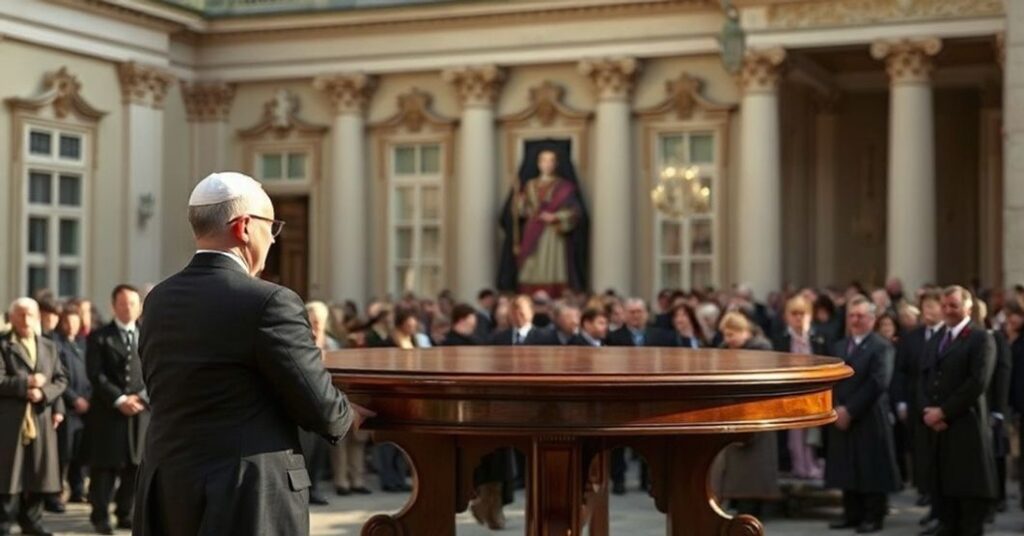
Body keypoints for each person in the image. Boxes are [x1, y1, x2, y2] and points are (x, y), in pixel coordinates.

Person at [133, 172, 362, 535]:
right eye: (271, 227)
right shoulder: (270, 301)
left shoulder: (158, 299)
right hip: (246, 496)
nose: (272, 239)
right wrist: (352, 414)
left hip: (170, 487)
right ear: (243, 227)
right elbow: (320, 406)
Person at [922, 286, 997, 536]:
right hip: (939, 429)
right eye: (944, 305)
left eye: (953, 305)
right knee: (946, 498)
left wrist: (943, 412)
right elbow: (926, 376)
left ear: (968, 307)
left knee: (968, 500)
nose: (947, 310)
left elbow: (977, 382)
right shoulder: (937, 338)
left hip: (966, 425)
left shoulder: (980, 338)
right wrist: (929, 411)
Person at [825, 295, 901, 534]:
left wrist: (851, 409)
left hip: (868, 415)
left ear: (872, 318)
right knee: (847, 466)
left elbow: (878, 382)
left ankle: (873, 516)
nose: (855, 320)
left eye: (860, 316)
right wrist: (837, 408)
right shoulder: (839, 346)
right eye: (852, 315)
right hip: (841, 414)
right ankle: (851, 513)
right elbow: (831, 380)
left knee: (871, 468)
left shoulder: (881, 346)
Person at [86, 284, 149, 534]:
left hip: (140, 411)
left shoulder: (147, 335)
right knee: (105, 467)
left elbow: (155, 370)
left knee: (135, 466)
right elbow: (96, 375)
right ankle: (100, 515)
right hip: (108, 412)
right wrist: (120, 399)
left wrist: (142, 397)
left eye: (133, 303)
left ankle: (126, 512)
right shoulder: (100, 337)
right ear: (114, 306)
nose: (128, 308)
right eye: (123, 304)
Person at [0, 298, 67, 536]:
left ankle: (33, 520)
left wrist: (44, 393)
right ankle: (5, 522)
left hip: (40, 417)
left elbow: (60, 379)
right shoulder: (4, 345)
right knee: (9, 473)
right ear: (11, 317)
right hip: (10, 420)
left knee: (39, 471)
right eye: (20, 315)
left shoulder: (49, 346)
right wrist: (24, 384)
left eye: (30, 315)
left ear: (37, 317)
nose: (26, 320)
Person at [712, 312, 779, 516]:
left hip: (756, 415)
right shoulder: (725, 351)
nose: (727, 340)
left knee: (753, 472)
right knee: (734, 472)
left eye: (731, 334)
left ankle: (753, 511)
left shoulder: (761, 350)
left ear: (744, 332)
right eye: (725, 334)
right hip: (731, 415)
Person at [891, 290, 944, 523]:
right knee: (921, 453)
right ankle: (928, 496)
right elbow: (900, 372)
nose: (928, 311)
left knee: (942, 457)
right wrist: (901, 401)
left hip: (944, 409)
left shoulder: (948, 336)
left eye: (933, 307)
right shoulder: (912, 337)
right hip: (916, 404)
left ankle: (941, 504)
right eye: (926, 307)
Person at [772, 296, 829, 480]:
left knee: (812, 433)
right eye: (794, 313)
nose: (798, 318)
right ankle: (796, 465)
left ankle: (811, 463)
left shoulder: (818, 338)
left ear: (810, 316)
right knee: (793, 433)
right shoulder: (780, 339)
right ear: (787, 317)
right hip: (788, 395)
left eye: (802, 313)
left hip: (814, 394)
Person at [54, 305, 91, 507]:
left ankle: (78, 489)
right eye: (67, 322)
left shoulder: (82, 344)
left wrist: (88, 398)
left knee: (80, 451)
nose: (71, 326)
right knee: (64, 452)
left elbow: (91, 373)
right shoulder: (58, 345)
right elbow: (59, 377)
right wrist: (74, 399)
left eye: (75, 322)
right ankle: (59, 490)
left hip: (86, 407)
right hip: (69, 407)